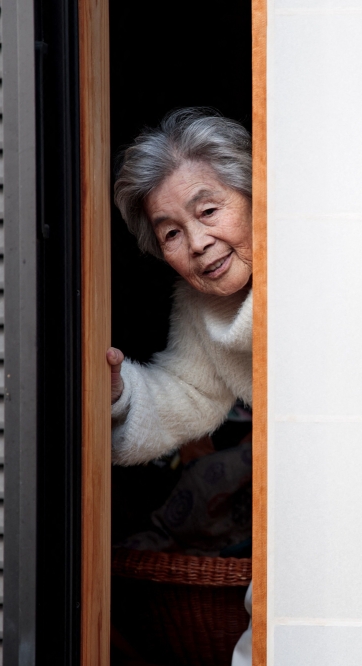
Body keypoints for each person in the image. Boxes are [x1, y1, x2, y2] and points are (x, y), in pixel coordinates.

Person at [108, 108, 254, 666]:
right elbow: (187, 394)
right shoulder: (202, 307)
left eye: (209, 211)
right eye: (171, 232)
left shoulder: (320, 262)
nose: (196, 242)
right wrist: (116, 392)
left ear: (256, 195)